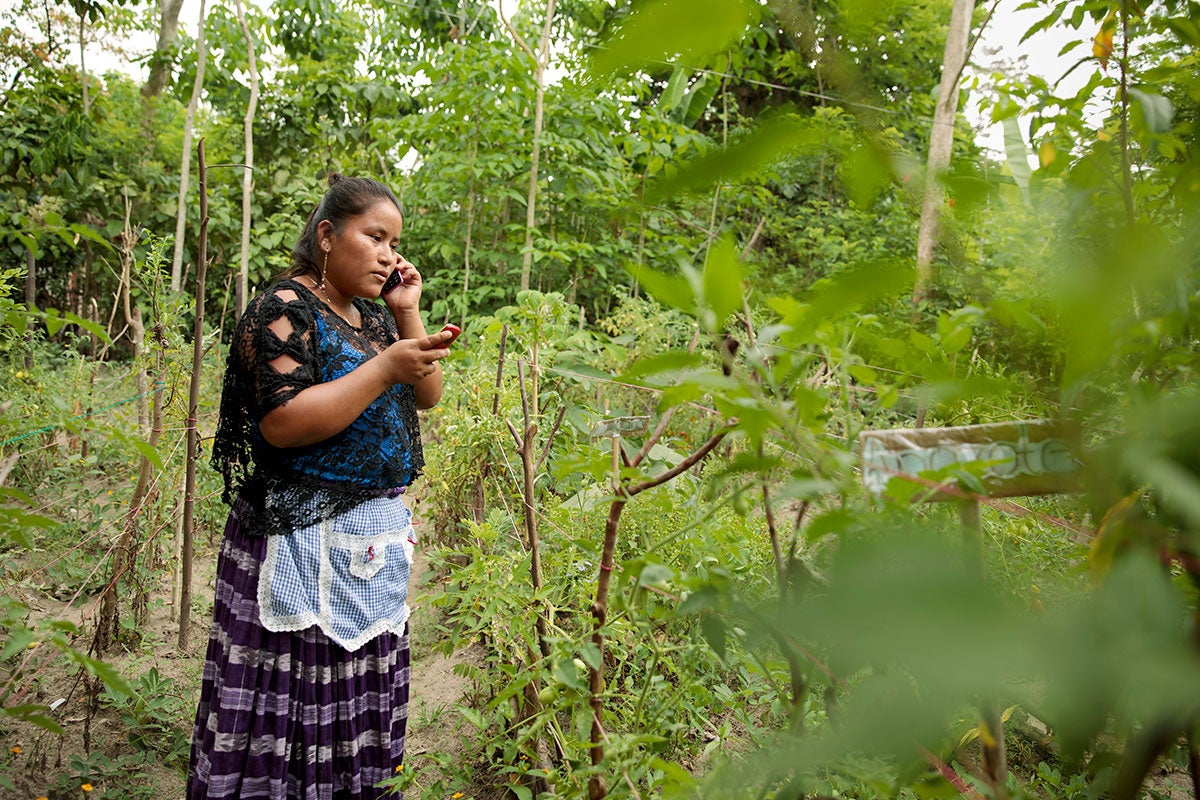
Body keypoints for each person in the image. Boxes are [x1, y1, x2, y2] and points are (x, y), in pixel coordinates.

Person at [188, 173, 453, 799]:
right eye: (376, 237)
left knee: (350, 700)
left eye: (396, 243)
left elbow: (428, 396)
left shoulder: (370, 316)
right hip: (299, 541)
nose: (390, 254)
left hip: (366, 542)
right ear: (329, 236)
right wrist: (383, 367)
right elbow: (282, 422)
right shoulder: (286, 306)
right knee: (293, 702)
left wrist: (407, 313)